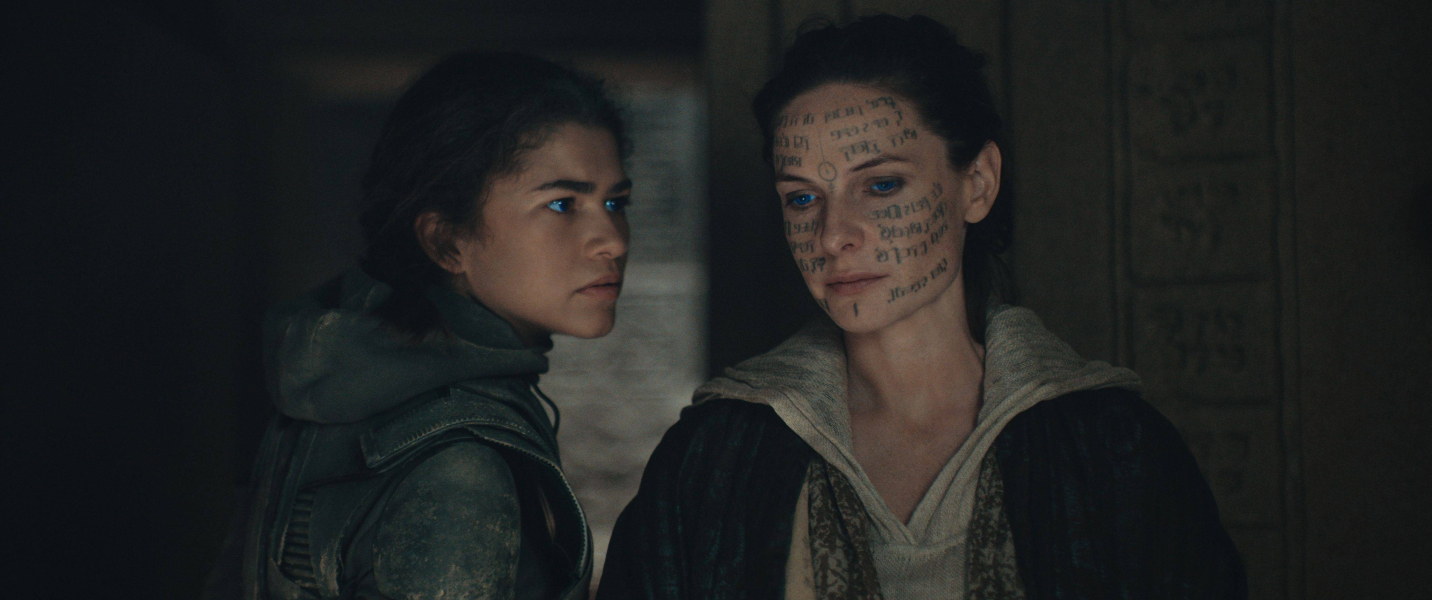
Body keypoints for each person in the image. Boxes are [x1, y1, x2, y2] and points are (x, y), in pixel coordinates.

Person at [598, 15, 1245, 599]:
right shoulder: (714, 458)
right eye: (802, 198)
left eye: (881, 185)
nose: (833, 235)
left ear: (978, 184)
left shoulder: (1112, 448)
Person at [204, 51, 632, 600]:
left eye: (616, 201)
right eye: (562, 204)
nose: (612, 241)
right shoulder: (460, 470)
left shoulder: (341, 389)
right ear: (445, 240)